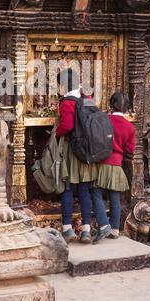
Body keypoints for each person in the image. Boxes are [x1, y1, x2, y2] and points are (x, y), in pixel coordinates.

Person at [56, 68, 99, 244]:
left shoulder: (66, 103)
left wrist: (57, 133)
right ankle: (86, 231)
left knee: (66, 188)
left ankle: (67, 229)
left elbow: (66, 126)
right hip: (87, 151)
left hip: (71, 150)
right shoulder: (87, 100)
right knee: (84, 190)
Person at [91, 91, 135, 243]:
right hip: (117, 164)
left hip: (102, 162)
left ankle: (103, 224)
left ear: (111, 104)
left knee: (95, 193)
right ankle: (115, 229)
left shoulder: (104, 120)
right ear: (127, 107)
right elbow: (130, 150)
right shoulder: (130, 127)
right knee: (115, 197)